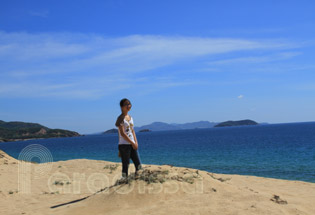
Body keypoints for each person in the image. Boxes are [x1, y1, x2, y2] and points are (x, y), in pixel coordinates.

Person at [115, 98, 142, 181]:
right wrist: (132, 143)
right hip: (124, 145)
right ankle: (123, 182)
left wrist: (136, 142)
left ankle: (139, 181)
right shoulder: (120, 118)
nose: (128, 106)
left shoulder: (130, 117)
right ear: (122, 107)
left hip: (132, 144)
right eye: (126, 104)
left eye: (129, 104)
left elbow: (132, 130)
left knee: (138, 165)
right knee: (125, 165)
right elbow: (122, 134)